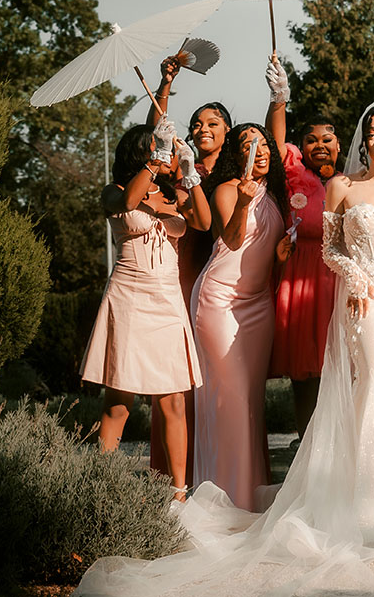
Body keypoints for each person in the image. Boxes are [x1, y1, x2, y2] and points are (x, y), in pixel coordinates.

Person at [75, 102, 374, 597]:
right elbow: (332, 248)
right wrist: (357, 275)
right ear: (365, 140)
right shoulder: (342, 187)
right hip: (363, 301)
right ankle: (368, 503)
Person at [79, 121, 211, 501]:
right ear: (144, 151)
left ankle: (179, 494)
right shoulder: (115, 191)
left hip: (166, 301)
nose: (169, 153)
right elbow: (129, 204)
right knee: (119, 401)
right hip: (129, 297)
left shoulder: (174, 195)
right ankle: (100, 490)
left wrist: (190, 175)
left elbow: (203, 222)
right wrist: (156, 160)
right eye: (161, 148)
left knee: (172, 401)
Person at [190, 122, 293, 512]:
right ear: (237, 153)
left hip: (258, 305)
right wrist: (245, 202)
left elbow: (264, 250)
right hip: (219, 302)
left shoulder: (276, 194)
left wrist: (282, 256)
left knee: (251, 402)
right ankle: (225, 499)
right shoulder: (227, 190)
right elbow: (231, 240)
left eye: (265, 144)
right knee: (229, 400)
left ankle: (251, 493)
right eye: (250, 144)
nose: (261, 150)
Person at [145, 55, 234, 487]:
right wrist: (164, 87)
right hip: (180, 280)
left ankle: (214, 474)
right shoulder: (180, 170)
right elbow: (154, 136)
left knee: (215, 382)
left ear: (228, 133)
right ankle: (173, 477)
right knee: (177, 380)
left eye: (212, 122)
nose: (202, 128)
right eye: (197, 122)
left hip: (223, 291)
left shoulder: (236, 176)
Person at [264, 57, 339, 439]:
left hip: (338, 281)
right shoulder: (294, 172)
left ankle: (339, 447)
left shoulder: (351, 181)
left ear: (340, 144)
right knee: (305, 374)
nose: (319, 145)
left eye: (327, 139)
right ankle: (306, 444)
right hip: (301, 276)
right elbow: (273, 147)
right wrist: (279, 98)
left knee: (339, 370)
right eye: (312, 139)